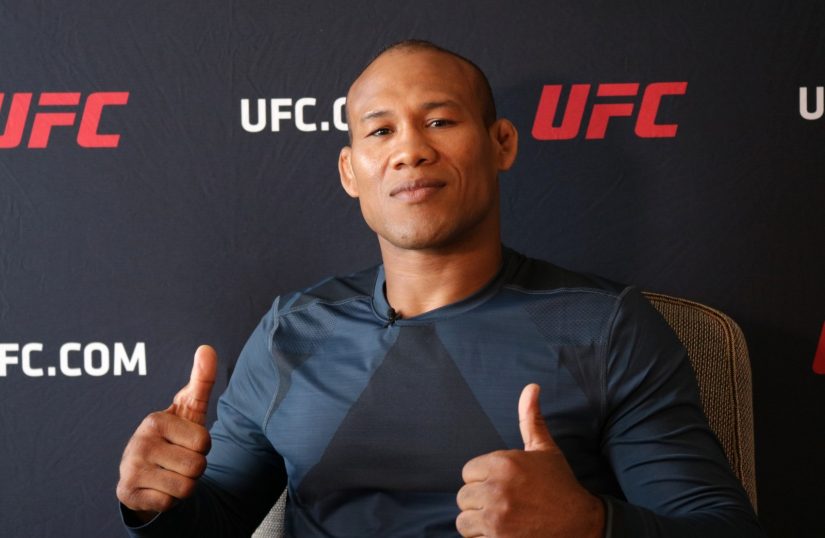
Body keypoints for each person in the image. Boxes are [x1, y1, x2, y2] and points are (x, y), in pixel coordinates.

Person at [117, 40, 765, 537]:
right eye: (380, 131)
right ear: (350, 172)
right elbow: (213, 524)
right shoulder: (292, 330)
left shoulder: (603, 326)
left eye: (440, 121)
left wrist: (593, 525)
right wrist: (154, 503)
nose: (410, 151)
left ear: (501, 143)